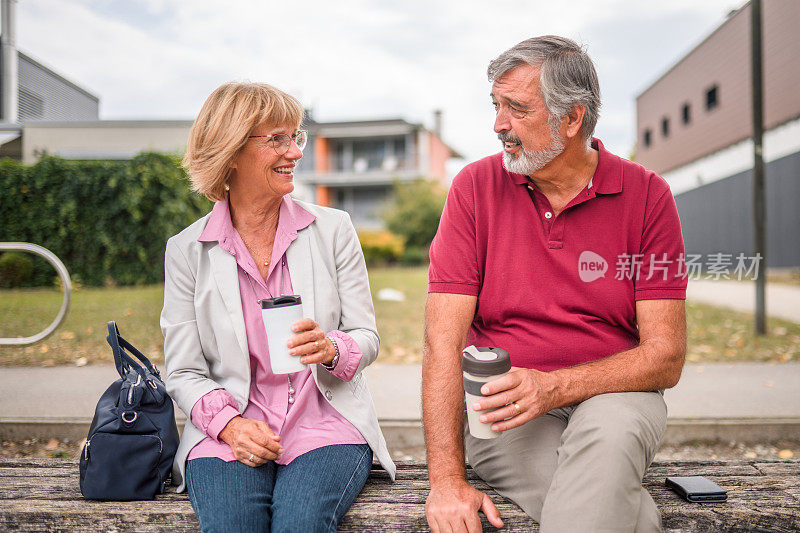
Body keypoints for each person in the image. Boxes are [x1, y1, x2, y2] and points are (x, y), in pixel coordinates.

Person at [423, 36, 687, 533]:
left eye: (516, 109)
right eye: (496, 105)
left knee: (603, 459)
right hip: (503, 406)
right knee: (612, 510)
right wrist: (446, 482)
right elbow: (443, 342)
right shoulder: (473, 188)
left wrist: (555, 386)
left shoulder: (648, 196)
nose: (498, 123)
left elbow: (666, 355)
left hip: (618, 393)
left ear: (571, 120)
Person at [161, 81, 395, 532]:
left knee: (300, 523)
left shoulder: (333, 228)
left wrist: (331, 348)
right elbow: (184, 372)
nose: (295, 152)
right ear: (230, 152)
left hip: (326, 423)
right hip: (228, 428)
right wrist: (229, 425)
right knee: (233, 525)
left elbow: (367, 336)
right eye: (277, 139)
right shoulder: (187, 249)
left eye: (296, 137)